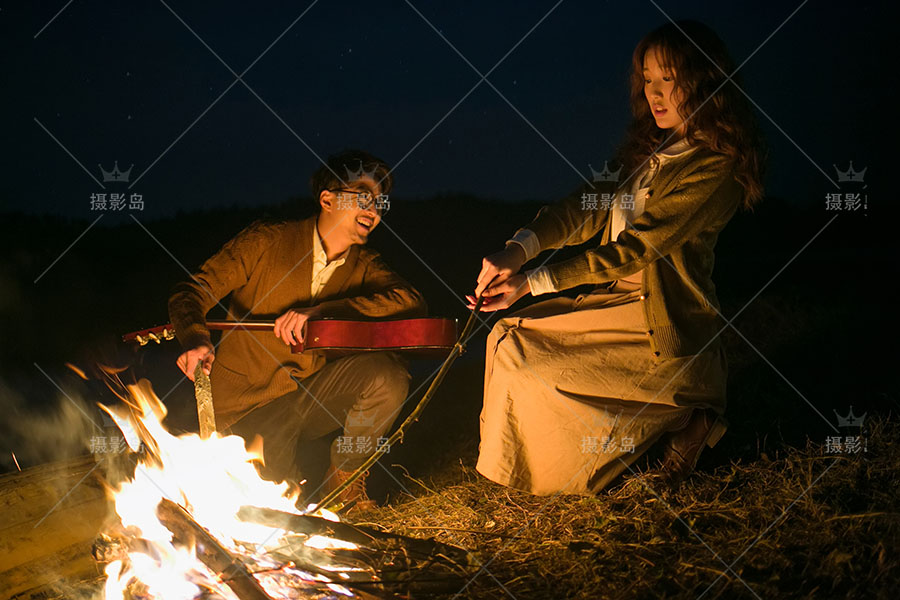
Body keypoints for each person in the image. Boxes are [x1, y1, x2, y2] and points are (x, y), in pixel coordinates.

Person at [468, 21, 765, 496]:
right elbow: (584, 208)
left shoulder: (715, 166)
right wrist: (518, 248)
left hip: (659, 319)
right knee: (509, 339)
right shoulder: (648, 153)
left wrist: (532, 282)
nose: (655, 93)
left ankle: (688, 413)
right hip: (614, 299)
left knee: (534, 364)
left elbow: (638, 248)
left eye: (669, 79)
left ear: (704, 80)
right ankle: (517, 477)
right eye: (647, 80)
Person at [168, 149, 426, 509]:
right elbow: (191, 292)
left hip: (306, 397)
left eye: (381, 202)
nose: (374, 209)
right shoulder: (267, 240)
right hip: (246, 409)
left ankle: (345, 481)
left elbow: (410, 301)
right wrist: (195, 339)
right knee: (275, 514)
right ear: (327, 199)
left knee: (388, 375)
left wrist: (325, 311)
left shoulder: (364, 264)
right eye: (364, 197)